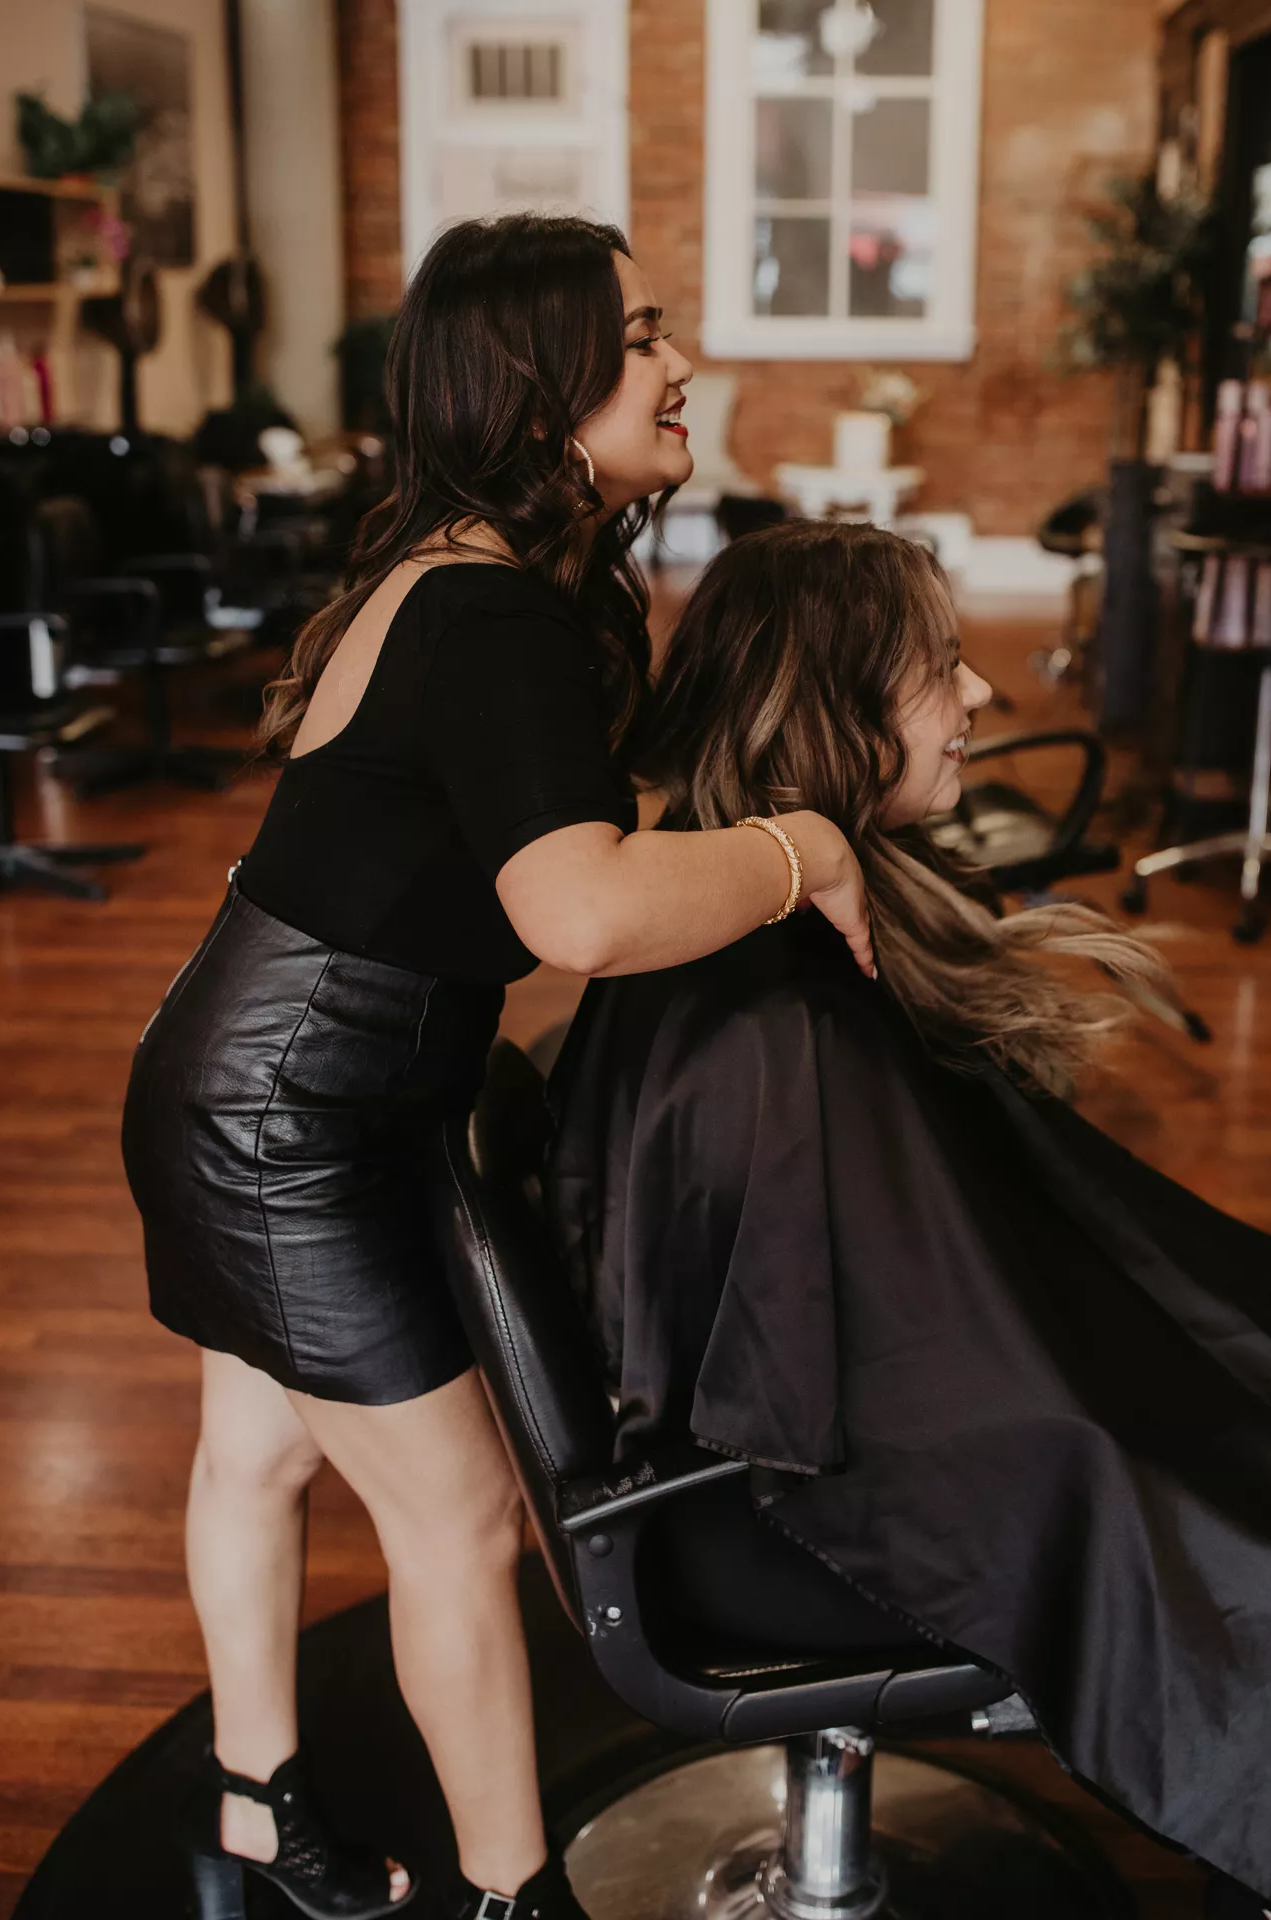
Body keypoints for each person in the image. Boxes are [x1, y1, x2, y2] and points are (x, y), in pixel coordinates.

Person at [545, 521, 1271, 1920]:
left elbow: (901, 1310)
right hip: (768, 1530)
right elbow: (871, 1385)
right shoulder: (776, 1015)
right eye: (939, 668)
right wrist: (1138, 1430)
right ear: (835, 703)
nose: (980, 695)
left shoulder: (755, 933)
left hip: (749, 1475)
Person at [121, 216, 874, 1920]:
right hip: (281, 1122)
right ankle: (514, 1899)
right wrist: (801, 852)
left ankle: (252, 1824)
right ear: (540, 391)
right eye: (643, 337)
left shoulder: (475, 580)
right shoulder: (488, 615)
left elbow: (561, 846)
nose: (680, 365)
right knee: (459, 1522)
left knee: (262, 1450)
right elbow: (583, 909)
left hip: (268, 1081)